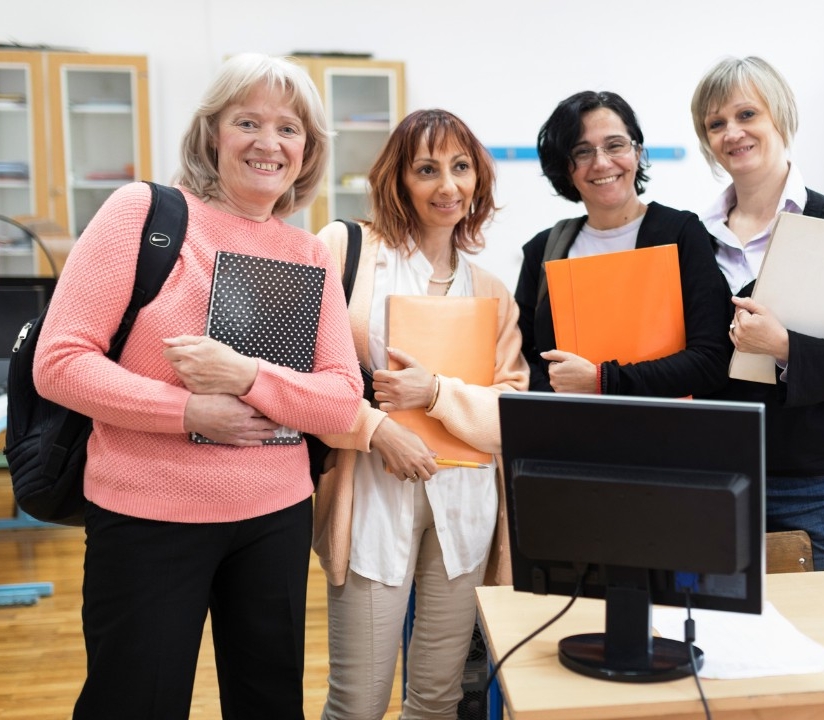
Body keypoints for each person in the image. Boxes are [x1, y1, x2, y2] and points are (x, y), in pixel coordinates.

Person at [33, 53, 362, 719]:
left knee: (269, 705)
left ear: (307, 150)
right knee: (136, 702)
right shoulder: (144, 214)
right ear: (213, 132)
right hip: (148, 516)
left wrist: (248, 377)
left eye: (289, 129)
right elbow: (60, 362)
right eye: (248, 122)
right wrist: (188, 411)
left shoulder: (309, 253)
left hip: (275, 516)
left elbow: (340, 400)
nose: (269, 143)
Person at [312, 109, 528, 720]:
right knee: (356, 703)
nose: (448, 186)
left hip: (465, 505)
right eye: (427, 169)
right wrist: (376, 430)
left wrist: (435, 393)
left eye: (461, 167)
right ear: (398, 179)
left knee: (437, 701)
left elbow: (510, 415)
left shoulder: (490, 290)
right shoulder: (345, 251)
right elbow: (306, 380)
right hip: (372, 495)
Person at [690, 55, 824, 570]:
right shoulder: (694, 238)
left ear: (780, 117)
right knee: (719, 623)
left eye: (747, 114)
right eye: (716, 123)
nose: (732, 132)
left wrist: (783, 346)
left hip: (817, 485)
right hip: (718, 479)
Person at [514, 90, 732, 397]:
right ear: (565, 167)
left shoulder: (681, 233)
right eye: (582, 152)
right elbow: (520, 361)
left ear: (637, 152)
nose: (602, 163)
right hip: (570, 426)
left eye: (615, 145)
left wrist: (602, 380)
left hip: (666, 425)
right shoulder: (543, 250)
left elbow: (711, 361)